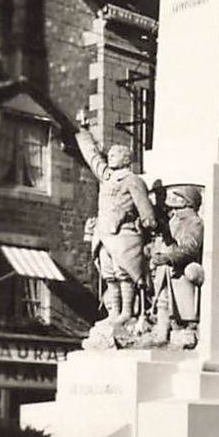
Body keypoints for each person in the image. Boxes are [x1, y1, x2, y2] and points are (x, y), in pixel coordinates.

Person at [73, 111, 156, 329]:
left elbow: (144, 207)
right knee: (109, 274)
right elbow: (92, 158)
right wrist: (83, 133)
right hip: (104, 233)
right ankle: (115, 312)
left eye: (115, 154)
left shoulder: (133, 180)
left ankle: (128, 311)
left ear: (125, 159)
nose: (110, 157)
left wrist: (148, 222)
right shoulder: (107, 177)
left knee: (124, 273)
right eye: (110, 155)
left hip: (125, 234)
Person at [148, 184, 204, 346]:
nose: (174, 200)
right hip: (164, 268)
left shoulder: (195, 222)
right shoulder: (174, 220)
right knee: (162, 300)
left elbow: (190, 247)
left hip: (181, 269)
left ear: (188, 201)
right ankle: (162, 331)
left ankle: (186, 328)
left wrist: (169, 257)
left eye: (179, 197)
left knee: (179, 303)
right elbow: (161, 242)